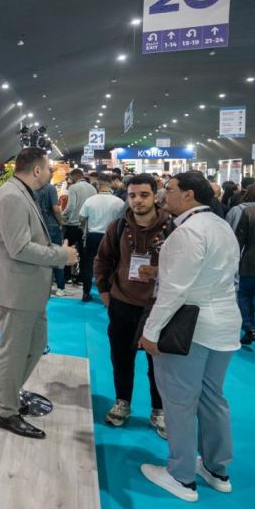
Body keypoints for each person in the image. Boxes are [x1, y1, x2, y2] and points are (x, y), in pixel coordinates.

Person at [138, 171, 240, 502]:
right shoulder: (220, 226)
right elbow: (211, 272)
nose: (163, 194)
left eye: (169, 189)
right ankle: (216, 469)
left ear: (189, 195)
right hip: (224, 324)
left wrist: (150, 332)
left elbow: (174, 290)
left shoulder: (188, 232)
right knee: (213, 398)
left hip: (191, 328)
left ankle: (180, 476)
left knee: (179, 401)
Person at [0, 148, 78, 439]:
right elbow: (19, 248)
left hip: (26, 288)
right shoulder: (12, 197)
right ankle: (6, 412)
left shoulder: (20, 193)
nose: (51, 173)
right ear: (36, 170)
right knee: (15, 351)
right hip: (15, 289)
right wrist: (62, 256)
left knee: (34, 344)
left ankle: (0, 395)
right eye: (48, 168)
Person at [93, 174, 170, 437]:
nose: (138, 200)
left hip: (159, 307)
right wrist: (105, 293)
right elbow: (102, 260)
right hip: (122, 304)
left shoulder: (172, 228)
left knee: (158, 364)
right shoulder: (118, 227)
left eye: (144, 195)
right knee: (121, 359)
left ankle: (159, 410)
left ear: (155, 196)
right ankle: (122, 402)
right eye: (132, 195)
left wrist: (158, 273)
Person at [78, 173, 125, 302]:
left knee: (88, 265)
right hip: (110, 236)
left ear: (98, 184)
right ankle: (109, 294)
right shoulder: (118, 202)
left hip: (93, 236)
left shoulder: (90, 200)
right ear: (110, 184)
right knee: (110, 265)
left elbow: (81, 218)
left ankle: (86, 293)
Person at [34, 179, 72, 297]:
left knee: (39, 256)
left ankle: (41, 286)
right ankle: (60, 287)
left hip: (37, 226)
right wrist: (60, 223)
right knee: (57, 256)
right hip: (51, 226)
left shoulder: (31, 187)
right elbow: (56, 209)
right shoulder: (50, 188)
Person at [61, 168, 95, 285]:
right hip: (86, 226)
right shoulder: (92, 188)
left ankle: (67, 277)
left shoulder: (73, 188)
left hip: (73, 224)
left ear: (74, 176)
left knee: (67, 249)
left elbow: (71, 206)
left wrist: (63, 217)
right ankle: (81, 278)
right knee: (83, 253)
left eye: (70, 178)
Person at [234, 194, 255, 346]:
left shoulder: (250, 212)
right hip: (251, 263)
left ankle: (250, 328)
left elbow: (238, 240)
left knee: (244, 295)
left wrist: (234, 261)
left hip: (251, 263)